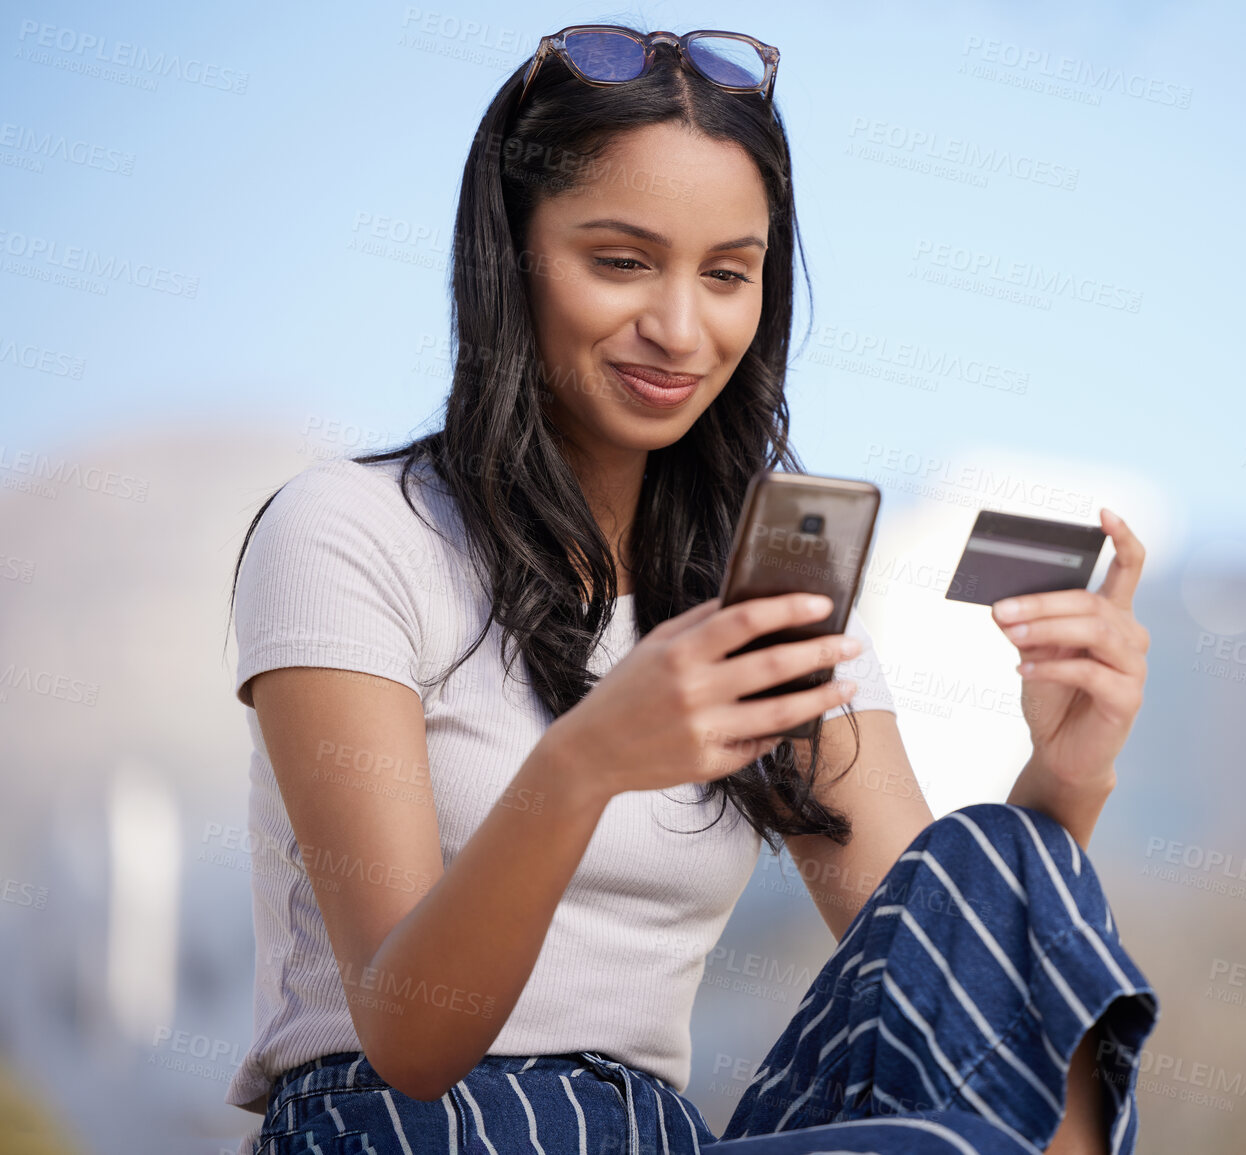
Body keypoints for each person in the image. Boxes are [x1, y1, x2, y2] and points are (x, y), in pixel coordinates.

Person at [224, 23, 1158, 1155]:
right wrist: (584, 765)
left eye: (727, 275)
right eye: (621, 262)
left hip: (662, 1134)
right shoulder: (352, 532)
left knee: (999, 861)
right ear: (508, 255)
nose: (679, 328)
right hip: (404, 1126)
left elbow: (937, 964)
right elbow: (412, 1043)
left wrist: (1069, 771)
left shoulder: (759, 578)